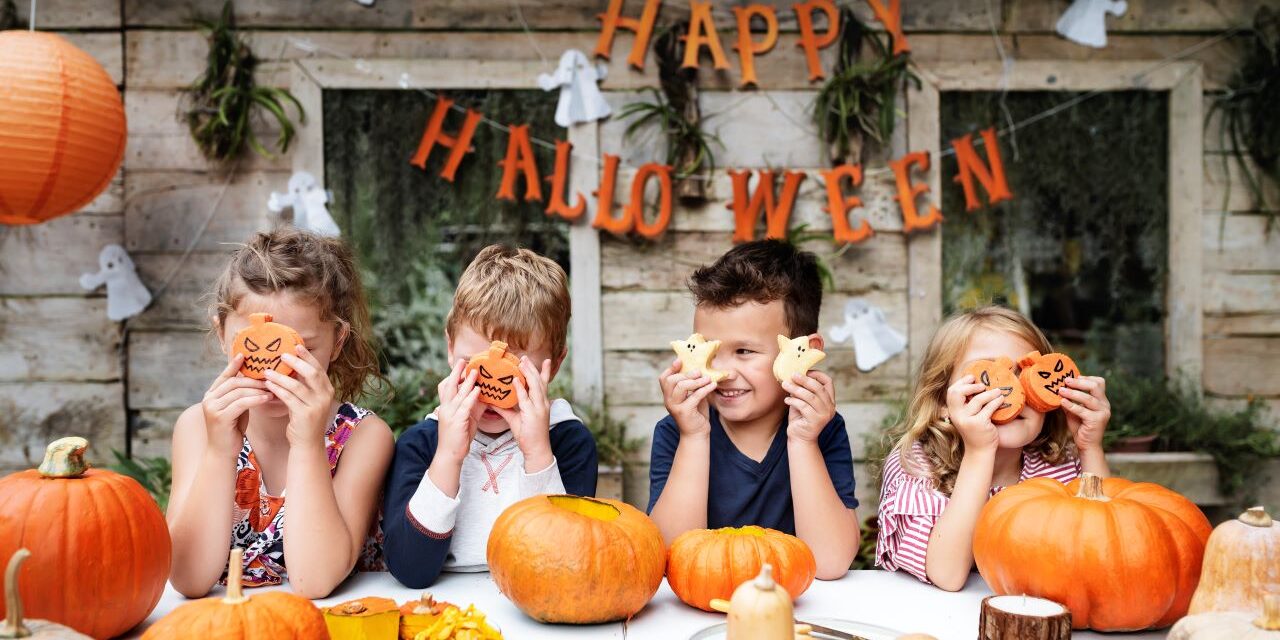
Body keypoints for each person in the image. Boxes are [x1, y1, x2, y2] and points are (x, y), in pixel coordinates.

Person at [167, 229, 393, 598]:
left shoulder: (363, 437)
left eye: (298, 351)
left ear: (338, 342)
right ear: (223, 334)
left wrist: (307, 444)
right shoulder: (197, 428)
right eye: (256, 352)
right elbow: (188, 579)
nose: (277, 372)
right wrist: (219, 452)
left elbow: (314, 581)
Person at [382, 245, 598, 588]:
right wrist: (449, 457)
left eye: (513, 374)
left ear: (553, 365)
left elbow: (563, 565)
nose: (491, 390)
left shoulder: (568, 442)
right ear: (450, 347)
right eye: (477, 368)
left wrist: (538, 456)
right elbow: (410, 569)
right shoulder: (420, 444)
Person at [648, 240, 860, 580]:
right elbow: (670, 558)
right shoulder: (677, 431)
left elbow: (831, 562)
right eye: (710, 351)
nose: (724, 371)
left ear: (803, 352)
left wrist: (803, 442)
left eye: (744, 351)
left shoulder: (823, 430)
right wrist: (694, 437)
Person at [876, 306, 1112, 590]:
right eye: (990, 374)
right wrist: (979, 452)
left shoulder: (1059, 467)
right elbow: (947, 574)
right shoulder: (916, 465)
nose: (1013, 392)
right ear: (941, 401)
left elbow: (1109, 548)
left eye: (1026, 375)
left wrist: (1090, 448)